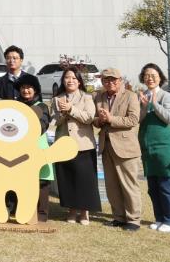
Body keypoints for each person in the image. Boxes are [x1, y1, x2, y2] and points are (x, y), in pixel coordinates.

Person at [93, 67, 142, 231]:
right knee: (112, 185)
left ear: (120, 81)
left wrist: (110, 119)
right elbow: (94, 120)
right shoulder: (98, 97)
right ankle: (119, 217)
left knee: (129, 185)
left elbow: (133, 120)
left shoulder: (130, 96)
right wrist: (100, 120)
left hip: (126, 148)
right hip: (106, 146)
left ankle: (133, 219)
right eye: (106, 79)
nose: (110, 82)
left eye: (113, 79)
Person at [51, 68, 101, 225]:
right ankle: (72, 211)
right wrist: (62, 113)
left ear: (79, 81)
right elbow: (54, 121)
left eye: (73, 78)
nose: (70, 80)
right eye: (67, 77)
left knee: (84, 179)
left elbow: (89, 118)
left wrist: (71, 109)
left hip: (83, 144)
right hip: (63, 144)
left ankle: (85, 212)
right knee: (67, 179)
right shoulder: (56, 99)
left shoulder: (87, 97)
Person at [137, 63, 170, 233]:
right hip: (148, 148)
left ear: (160, 77)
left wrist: (154, 103)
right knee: (153, 187)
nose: (150, 78)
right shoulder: (142, 96)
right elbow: (138, 120)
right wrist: (143, 107)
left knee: (166, 185)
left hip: (164, 147)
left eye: (153, 75)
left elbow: (169, 117)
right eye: (146, 75)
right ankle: (160, 218)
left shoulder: (166, 96)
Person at [15, 79, 53, 222]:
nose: (25, 91)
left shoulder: (41, 106)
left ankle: (42, 213)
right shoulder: (15, 106)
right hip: (20, 149)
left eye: (29, 87)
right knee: (23, 180)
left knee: (41, 180)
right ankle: (24, 210)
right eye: (23, 88)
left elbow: (43, 125)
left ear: (35, 90)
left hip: (38, 147)